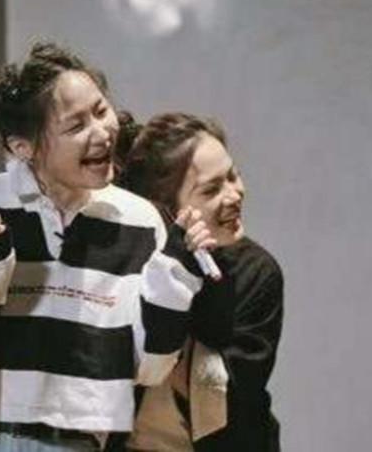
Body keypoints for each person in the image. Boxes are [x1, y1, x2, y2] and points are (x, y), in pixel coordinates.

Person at [0, 43, 213, 451]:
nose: (102, 132)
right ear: (22, 146)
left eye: (101, 111)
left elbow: (148, 370)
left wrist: (176, 274)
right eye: (76, 126)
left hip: (71, 441)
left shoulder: (138, 220)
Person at [116, 112, 284, 452]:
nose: (235, 194)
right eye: (211, 189)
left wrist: (177, 297)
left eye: (233, 176)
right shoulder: (130, 262)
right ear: (166, 211)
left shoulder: (256, 271)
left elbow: (228, 392)